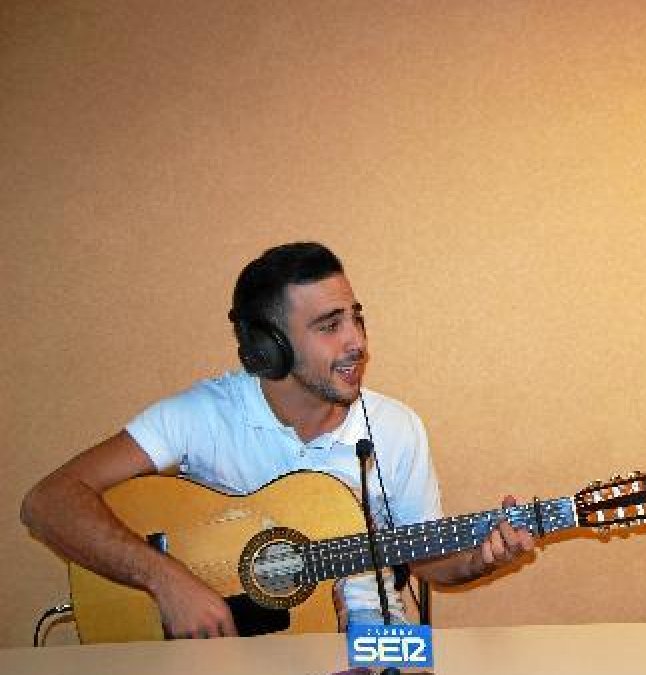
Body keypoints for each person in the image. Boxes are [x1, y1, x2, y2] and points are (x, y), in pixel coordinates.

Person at [21, 241, 535, 639]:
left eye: (355, 316)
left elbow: (426, 558)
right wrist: (164, 579)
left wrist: (480, 558)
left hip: (365, 645)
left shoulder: (396, 427)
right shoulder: (204, 415)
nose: (356, 340)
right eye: (329, 325)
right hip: (238, 654)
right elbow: (47, 503)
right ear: (269, 347)